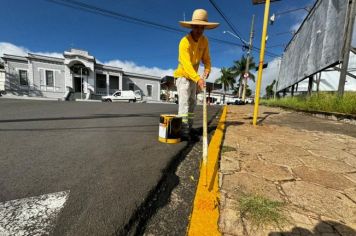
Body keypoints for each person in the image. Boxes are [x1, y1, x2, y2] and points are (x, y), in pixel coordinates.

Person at [174, 9, 219, 141]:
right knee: (184, 104)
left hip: (194, 78)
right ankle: (183, 132)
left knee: (192, 103)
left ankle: (188, 128)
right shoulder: (184, 42)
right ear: (192, 26)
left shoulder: (204, 41)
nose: (199, 30)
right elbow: (186, 64)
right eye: (196, 27)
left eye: (202, 28)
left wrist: (207, 69)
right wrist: (198, 78)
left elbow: (207, 59)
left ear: (204, 28)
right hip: (183, 76)